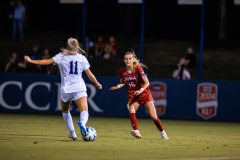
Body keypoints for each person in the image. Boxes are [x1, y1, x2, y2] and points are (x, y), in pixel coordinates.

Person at [24, 37, 103, 140]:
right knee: (84, 110)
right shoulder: (81, 58)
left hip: (66, 89)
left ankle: (72, 133)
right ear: (77, 46)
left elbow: (47, 61)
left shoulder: (61, 57)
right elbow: (90, 75)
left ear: (67, 46)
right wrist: (97, 83)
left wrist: (31, 61)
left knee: (65, 111)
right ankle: (82, 123)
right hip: (79, 88)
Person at [110, 49, 169, 140]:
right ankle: (136, 131)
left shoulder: (138, 69)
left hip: (144, 94)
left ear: (133, 59)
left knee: (154, 117)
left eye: (130, 58)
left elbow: (147, 82)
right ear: (124, 60)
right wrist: (117, 86)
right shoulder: (122, 71)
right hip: (133, 96)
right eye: (126, 59)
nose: (128, 60)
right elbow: (122, 82)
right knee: (131, 109)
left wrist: (141, 90)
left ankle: (162, 132)